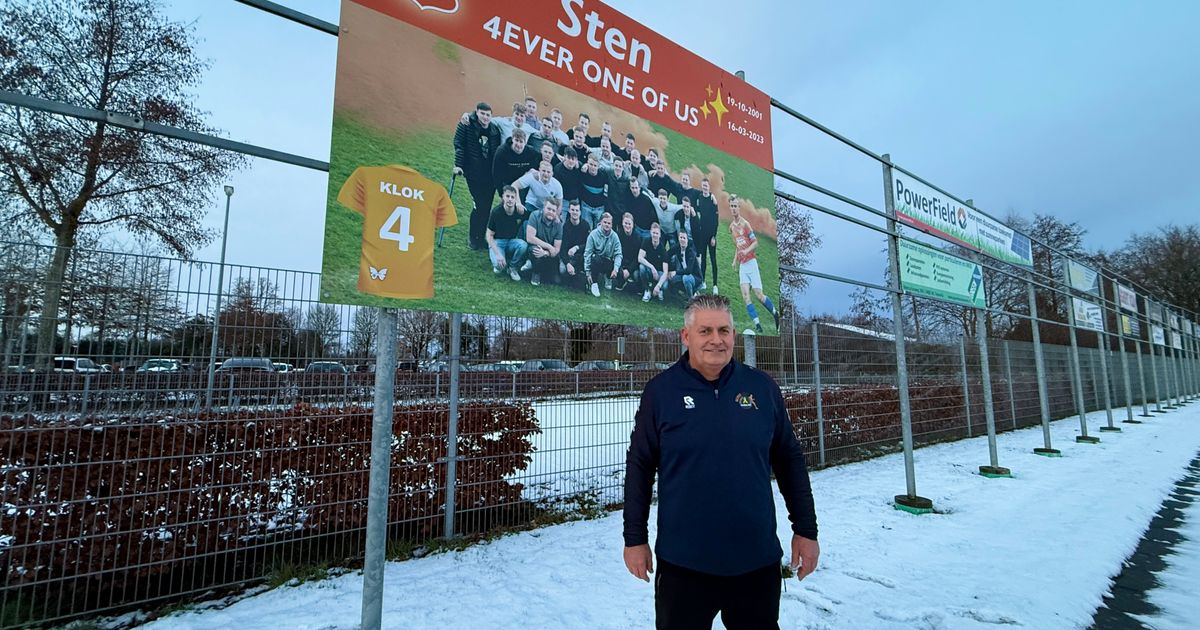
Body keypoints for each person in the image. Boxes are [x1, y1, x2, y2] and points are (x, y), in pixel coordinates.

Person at [623, 294, 820, 629]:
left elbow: (789, 460)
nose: (717, 339)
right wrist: (634, 538)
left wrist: (806, 529)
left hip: (755, 562)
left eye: (725, 330)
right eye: (706, 331)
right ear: (686, 337)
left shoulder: (761, 387)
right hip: (684, 565)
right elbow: (640, 467)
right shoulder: (661, 392)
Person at [453, 101, 501, 251]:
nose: (485, 117)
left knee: (486, 208)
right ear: (476, 112)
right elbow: (459, 145)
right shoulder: (466, 125)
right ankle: (474, 237)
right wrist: (459, 165)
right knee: (478, 205)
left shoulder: (494, 130)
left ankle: (483, 238)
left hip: (490, 176)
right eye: (483, 114)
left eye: (488, 115)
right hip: (473, 173)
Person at [729, 195, 780, 333]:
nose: (734, 208)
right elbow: (737, 246)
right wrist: (735, 260)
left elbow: (755, 242)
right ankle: (757, 324)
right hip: (742, 266)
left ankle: (775, 313)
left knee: (759, 295)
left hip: (751, 263)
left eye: (735, 206)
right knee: (746, 296)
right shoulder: (731, 227)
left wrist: (746, 251)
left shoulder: (745, 224)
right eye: (732, 206)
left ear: (739, 207)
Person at [485, 185, 528, 281]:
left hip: (511, 241)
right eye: (507, 196)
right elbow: (489, 235)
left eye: (512, 197)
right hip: (497, 242)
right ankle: (499, 259)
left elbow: (532, 217)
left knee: (523, 245)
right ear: (503, 197)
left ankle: (512, 267)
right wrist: (498, 254)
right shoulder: (496, 212)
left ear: (516, 199)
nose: (510, 199)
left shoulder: (519, 211)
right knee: (499, 266)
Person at [523, 196, 563, 287]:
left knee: (556, 281)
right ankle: (535, 273)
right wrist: (548, 246)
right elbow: (530, 238)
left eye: (553, 210)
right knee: (536, 250)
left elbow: (557, 248)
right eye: (549, 209)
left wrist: (545, 253)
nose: (551, 212)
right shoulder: (534, 215)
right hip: (535, 247)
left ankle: (544, 272)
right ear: (543, 208)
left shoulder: (559, 224)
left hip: (549, 253)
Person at [492, 128, 539, 198]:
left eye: (521, 141)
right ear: (512, 139)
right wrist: (501, 192)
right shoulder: (502, 151)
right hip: (507, 183)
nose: (518, 144)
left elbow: (541, 159)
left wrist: (534, 170)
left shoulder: (531, 152)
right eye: (516, 140)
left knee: (521, 205)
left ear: (525, 143)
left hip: (522, 183)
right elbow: (496, 173)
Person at [583, 211, 622, 297]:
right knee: (595, 258)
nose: (607, 225)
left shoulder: (615, 236)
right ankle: (594, 283)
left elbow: (618, 254)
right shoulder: (592, 235)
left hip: (607, 261)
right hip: (596, 261)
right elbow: (587, 254)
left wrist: (615, 269)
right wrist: (588, 273)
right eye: (605, 222)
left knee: (620, 273)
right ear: (600, 222)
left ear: (612, 225)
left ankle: (608, 278)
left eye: (609, 223)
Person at [559, 199, 591, 289]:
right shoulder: (565, 226)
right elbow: (562, 249)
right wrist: (567, 264)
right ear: (569, 210)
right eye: (572, 210)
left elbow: (589, 246)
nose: (575, 212)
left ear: (580, 212)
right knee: (562, 270)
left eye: (577, 210)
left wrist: (577, 248)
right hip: (568, 256)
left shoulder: (586, 225)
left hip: (581, 255)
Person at [695, 177, 720, 293]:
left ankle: (715, 285)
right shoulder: (699, 197)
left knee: (713, 259)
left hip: (711, 235)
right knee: (703, 259)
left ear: (709, 187)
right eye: (703, 185)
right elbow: (698, 209)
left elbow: (716, 220)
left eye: (706, 186)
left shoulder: (712, 199)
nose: (705, 187)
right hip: (701, 234)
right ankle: (703, 281)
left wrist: (714, 236)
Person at [637, 222, 670, 302]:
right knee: (641, 267)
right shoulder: (646, 241)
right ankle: (647, 290)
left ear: (660, 235)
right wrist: (652, 267)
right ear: (650, 233)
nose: (655, 235)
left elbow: (665, 272)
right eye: (653, 233)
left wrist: (659, 286)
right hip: (650, 270)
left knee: (665, 285)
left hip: (659, 273)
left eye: (657, 233)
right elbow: (640, 258)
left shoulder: (662, 249)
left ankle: (658, 289)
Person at [667, 231, 701, 300]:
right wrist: (669, 270)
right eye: (681, 237)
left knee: (686, 278)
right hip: (683, 274)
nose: (682, 239)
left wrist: (675, 272)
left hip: (695, 277)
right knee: (672, 279)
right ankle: (688, 292)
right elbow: (667, 255)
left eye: (684, 238)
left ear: (687, 240)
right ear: (678, 238)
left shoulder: (691, 251)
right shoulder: (677, 247)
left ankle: (691, 300)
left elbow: (689, 271)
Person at [615, 212, 642, 291]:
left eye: (629, 224)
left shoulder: (638, 238)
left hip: (633, 264)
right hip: (621, 262)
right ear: (622, 223)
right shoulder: (618, 235)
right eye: (625, 223)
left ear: (633, 225)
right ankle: (621, 281)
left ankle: (639, 287)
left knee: (636, 275)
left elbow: (637, 258)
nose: (627, 226)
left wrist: (629, 270)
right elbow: (616, 252)